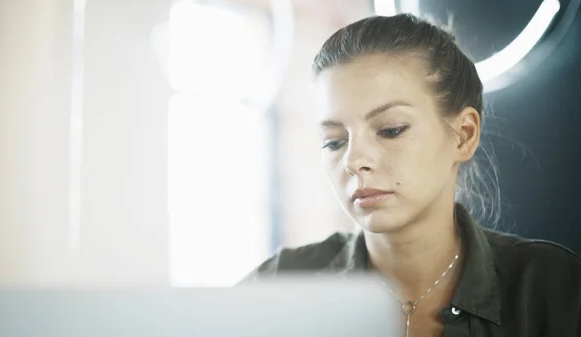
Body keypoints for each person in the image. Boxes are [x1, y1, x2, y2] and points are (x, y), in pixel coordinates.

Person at [242, 14, 581, 337]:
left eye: (391, 130)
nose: (354, 160)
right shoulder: (279, 286)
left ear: (463, 134)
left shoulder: (556, 289)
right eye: (335, 142)